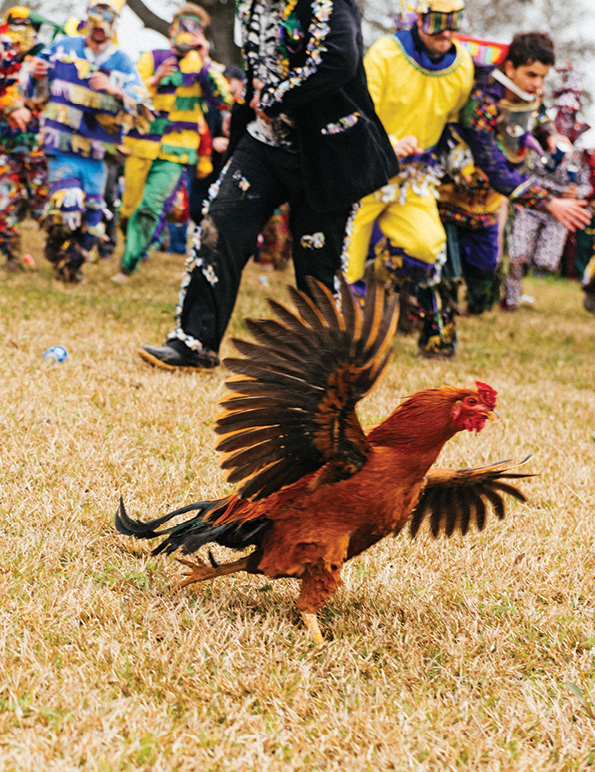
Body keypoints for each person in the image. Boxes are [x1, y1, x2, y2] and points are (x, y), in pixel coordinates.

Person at [139, 0, 398, 371]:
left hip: (324, 149)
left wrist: (276, 98)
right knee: (220, 227)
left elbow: (338, 61)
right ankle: (195, 341)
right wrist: (248, 108)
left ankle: (323, 366)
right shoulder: (253, 4)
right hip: (262, 142)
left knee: (317, 261)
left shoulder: (330, 3)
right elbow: (256, 68)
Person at [343, 0, 474, 358]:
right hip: (368, 171)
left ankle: (380, 277)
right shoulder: (385, 54)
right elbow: (359, 110)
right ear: (419, 19)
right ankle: (344, 343)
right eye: (438, 22)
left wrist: (462, 164)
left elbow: (453, 123)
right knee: (344, 264)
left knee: (427, 249)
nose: (447, 31)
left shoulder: (463, 66)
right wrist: (388, 144)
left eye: (454, 22)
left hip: (414, 179)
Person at [438, 32, 591, 315]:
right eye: (531, 75)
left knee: (485, 273)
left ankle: (475, 307)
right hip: (450, 194)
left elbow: (538, 114)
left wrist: (551, 135)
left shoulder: (530, 95)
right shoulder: (480, 101)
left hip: (489, 202)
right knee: (441, 272)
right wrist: (549, 202)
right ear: (510, 68)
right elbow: (493, 165)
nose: (537, 84)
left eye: (543, 77)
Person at [111, 3, 233, 283]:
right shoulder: (151, 58)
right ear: (171, 29)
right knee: (128, 210)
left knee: (150, 206)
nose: (188, 33)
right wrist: (154, 81)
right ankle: (133, 248)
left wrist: (205, 59)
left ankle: (127, 266)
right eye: (183, 26)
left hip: (176, 152)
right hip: (140, 146)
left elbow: (224, 100)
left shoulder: (205, 67)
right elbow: (130, 93)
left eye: (195, 28)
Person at [32, 0, 151, 282]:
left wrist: (115, 90)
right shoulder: (64, 48)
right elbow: (35, 83)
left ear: (115, 24)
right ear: (87, 19)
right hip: (62, 147)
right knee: (67, 204)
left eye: (107, 19)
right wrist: (37, 74)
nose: (100, 27)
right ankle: (55, 241)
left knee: (93, 217)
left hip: (98, 153)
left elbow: (144, 102)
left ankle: (72, 265)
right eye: (95, 19)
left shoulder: (121, 60)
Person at [0, 6, 61, 272]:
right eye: (13, 29)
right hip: (5, 146)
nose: (19, 37)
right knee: (3, 203)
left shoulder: (45, 61)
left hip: (38, 147)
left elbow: (49, 101)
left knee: (45, 205)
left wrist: (41, 80)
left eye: (26, 31)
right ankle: (13, 257)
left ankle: (60, 251)